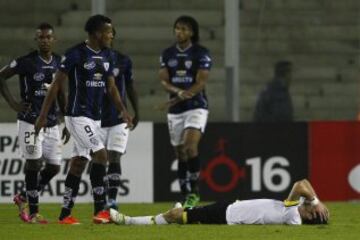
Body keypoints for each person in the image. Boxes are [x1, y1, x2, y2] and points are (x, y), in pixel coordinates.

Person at [34, 15, 133, 225]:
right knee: (101, 154)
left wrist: (123, 111)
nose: (110, 36)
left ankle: (65, 214)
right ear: (97, 33)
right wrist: (43, 115)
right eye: (108, 32)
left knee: (78, 164)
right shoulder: (75, 54)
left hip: (95, 119)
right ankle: (101, 210)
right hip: (77, 115)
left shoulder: (107, 55)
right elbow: (56, 85)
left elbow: (112, 87)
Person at [0, 23, 70, 224]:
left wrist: (66, 120)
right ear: (36, 40)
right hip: (30, 122)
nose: (45, 40)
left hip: (52, 122)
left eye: (48, 37)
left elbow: (61, 92)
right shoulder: (26, 62)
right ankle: (34, 213)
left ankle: (22, 197)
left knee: (54, 168)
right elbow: (1, 76)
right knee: (34, 163)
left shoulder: (59, 62)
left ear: (54, 39)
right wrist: (14, 104)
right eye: (41, 37)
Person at [159, 15, 212, 208]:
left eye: (184, 29)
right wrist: (178, 92)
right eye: (177, 28)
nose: (179, 32)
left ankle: (195, 191)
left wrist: (187, 93)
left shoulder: (201, 53)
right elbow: (164, 80)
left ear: (192, 32)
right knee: (180, 152)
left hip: (196, 106)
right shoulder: (167, 54)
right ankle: (185, 194)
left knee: (190, 147)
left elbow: (201, 82)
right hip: (175, 109)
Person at [110, 179, 330, 225]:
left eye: (312, 208)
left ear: (310, 214)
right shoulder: (293, 209)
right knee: (185, 212)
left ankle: (127, 221)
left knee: (175, 217)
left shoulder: (293, 215)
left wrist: (316, 200)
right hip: (231, 207)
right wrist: (316, 201)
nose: (309, 204)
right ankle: (183, 208)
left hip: (226, 216)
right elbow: (305, 184)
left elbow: (301, 185)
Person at [100, 28, 139, 210]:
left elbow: (130, 87)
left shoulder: (123, 60)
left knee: (114, 157)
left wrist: (136, 110)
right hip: (95, 118)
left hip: (118, 118)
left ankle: (112, 201)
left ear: (113, 36)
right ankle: (99, 201)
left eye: (108, 33)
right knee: (98, 160)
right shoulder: (89, 60)